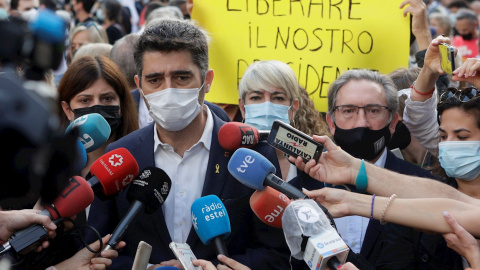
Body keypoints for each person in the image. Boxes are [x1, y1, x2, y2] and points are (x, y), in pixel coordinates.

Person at [86, 19, 291, 270]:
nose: (168, 90)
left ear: (207, 80)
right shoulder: (119, 157)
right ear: (139, 85)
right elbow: (97, 252)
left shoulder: (252, 154)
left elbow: (276, 254)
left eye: (181, 77)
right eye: (155, 80)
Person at [320, 68, 437, 269]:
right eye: (348, 111)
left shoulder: (424, 188)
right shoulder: (303, 187)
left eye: (373, 111)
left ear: (392, 123)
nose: (362, 123)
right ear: (331, 122)